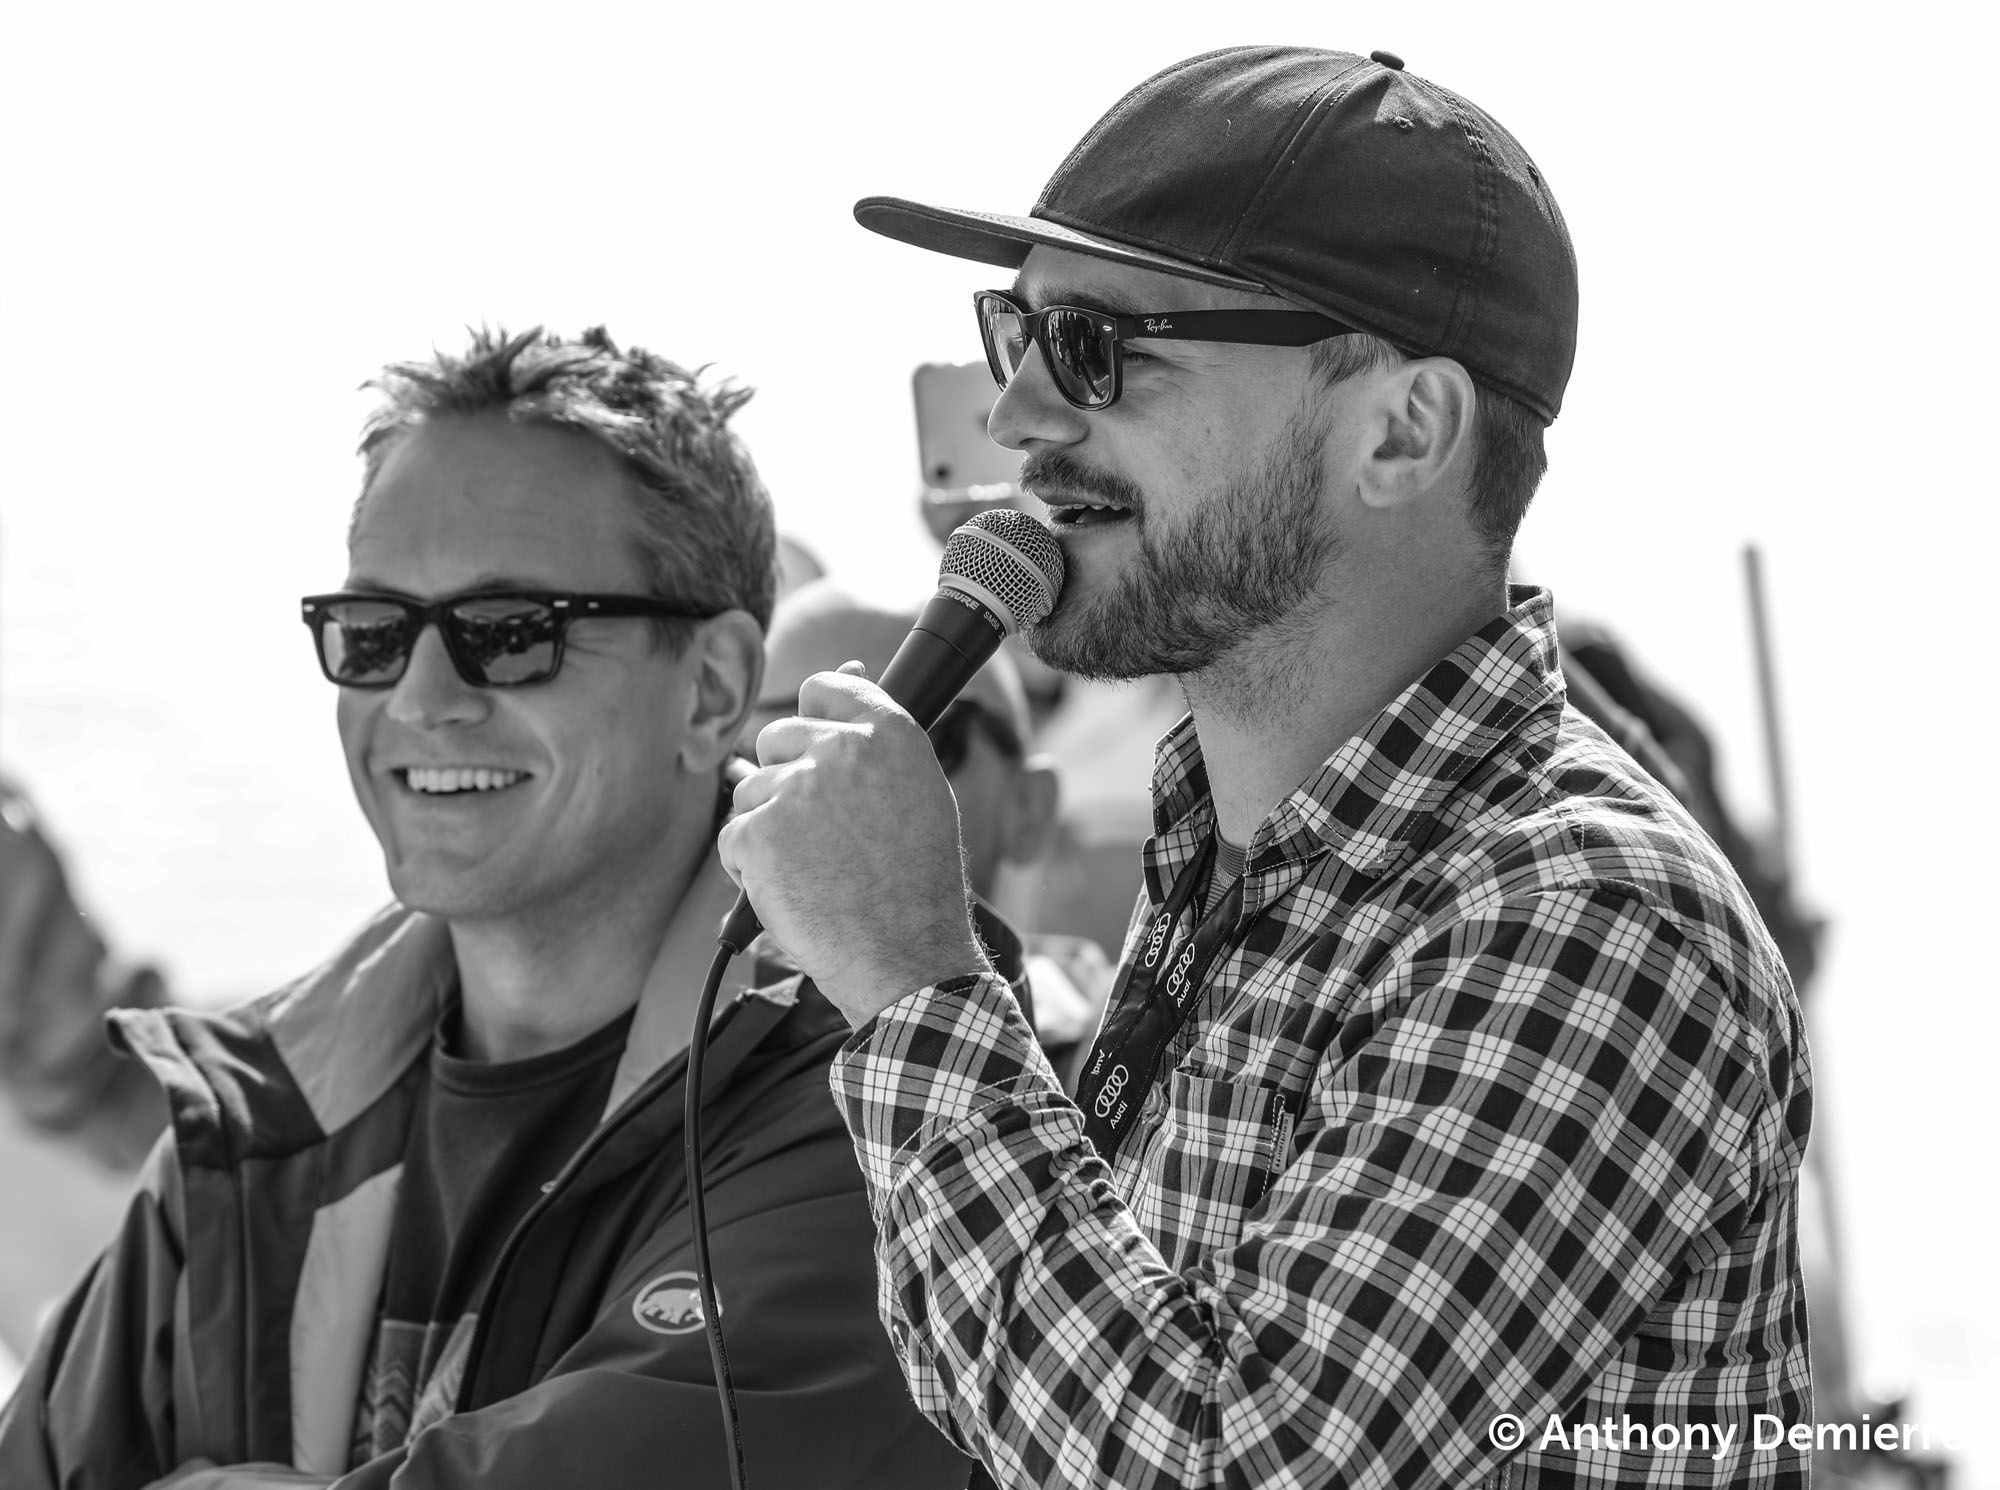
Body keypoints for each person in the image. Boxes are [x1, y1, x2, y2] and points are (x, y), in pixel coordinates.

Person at [721, 46, 1814, 1489]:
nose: (1016, 416)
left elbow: (1228, 1461)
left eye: (1096, 344)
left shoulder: (1588, 913)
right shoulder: (1245, 855)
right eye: (1013, 331)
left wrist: (911, 976)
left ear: (1401, 430)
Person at [0, 326, 971, 1490]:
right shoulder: (252, 1115)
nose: (420, 698)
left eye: (510, 632)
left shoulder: (897, 1095)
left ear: (712, 686)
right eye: (373, 633)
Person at [750, 578, 1109, 1078]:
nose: (814, 789)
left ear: (1028, 807)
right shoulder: (695, 1064)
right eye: (768, 755)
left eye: (912, 739)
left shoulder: (1143, 1072)